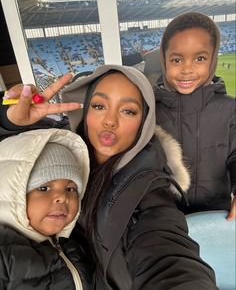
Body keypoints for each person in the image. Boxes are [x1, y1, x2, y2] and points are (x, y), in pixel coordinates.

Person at [0, 65, 218, 289]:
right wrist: (10, 121)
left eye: (128, 111)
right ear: (85, 113)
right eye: (99, 106)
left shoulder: (148, 192)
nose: (110, 121)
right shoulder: (59, 146)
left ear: (144, 122)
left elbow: (168, 256)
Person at [153, 12, 236, 219]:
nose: (187, 69)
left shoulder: (230, 109)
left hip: (217, 216)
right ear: (164, 60)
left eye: (199, 58)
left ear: (213, 59)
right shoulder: (149, 112)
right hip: (164, 223)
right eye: (177, 59)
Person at [0, 128, 93, 289]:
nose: (63, 197)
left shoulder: (76, 244)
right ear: (13, 195)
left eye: (70, 189)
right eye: (44, 188)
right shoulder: (4, 256)